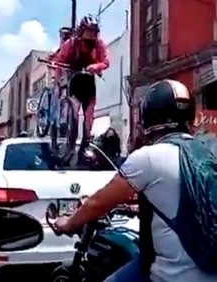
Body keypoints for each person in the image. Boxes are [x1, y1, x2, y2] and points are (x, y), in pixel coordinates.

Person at [53, 79, 217, 282]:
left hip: (171, 276)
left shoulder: (148, 157)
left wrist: (68, 222)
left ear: (149, 116)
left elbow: (98, 203)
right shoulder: (207, 153)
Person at [51, 15, 109, 162]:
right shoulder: (71, 43)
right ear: (82, 31)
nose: (91, 35)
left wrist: (95, 67)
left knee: (89, 115)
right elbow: (59, 61)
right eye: (89, 31)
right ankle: (70, 140)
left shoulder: (98, 44)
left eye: (94, 32)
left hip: (88, 81)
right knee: (74, 110)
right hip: (74, 79)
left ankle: (85, 145)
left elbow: (105, 61)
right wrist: (57, 80)